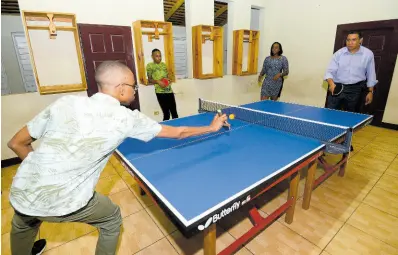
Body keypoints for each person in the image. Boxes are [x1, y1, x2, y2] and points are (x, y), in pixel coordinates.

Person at [7, 61, 228, 255]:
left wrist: (40, 174)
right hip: (66, 199)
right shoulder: (125, 118)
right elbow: (179, 133)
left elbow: (16, 143)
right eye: (133, 87)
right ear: (121, 89)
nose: (135, 91)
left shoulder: (65, 103)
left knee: (23, 222)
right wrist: (211, 127)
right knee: (112, 219)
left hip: (22, 190)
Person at [324, 30, 377, 112]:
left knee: (350, 115)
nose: (350, 42)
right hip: (337, 87)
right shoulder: (339, 53)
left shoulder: (368, 54)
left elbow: (371, 74)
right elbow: (330, 71)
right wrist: (331, 84)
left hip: (355, 89)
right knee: (330, 112)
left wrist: (370, 92)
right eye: (348, 40)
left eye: (354, 40)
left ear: (360, 40)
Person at [146, 49, 178, 121]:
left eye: (160, 56)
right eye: (157, 56)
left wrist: (168, 80)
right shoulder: (150, 66)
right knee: (166, 114)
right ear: (152, 56)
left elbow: (166, 77)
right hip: (160, 93)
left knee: (174, 113)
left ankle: (176, 130)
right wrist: (158, 81)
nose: (159, 58)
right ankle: (165, 131)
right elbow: (149, 79)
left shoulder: (164, 65)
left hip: (169, 91)